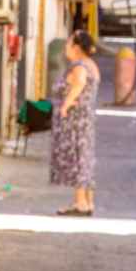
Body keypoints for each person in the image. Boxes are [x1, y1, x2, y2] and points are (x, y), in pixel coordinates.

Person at [49, 29, 101, 216]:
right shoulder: (92, 65)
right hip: (85, 119)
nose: (65, 47)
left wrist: (66, 105)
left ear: (77, 47)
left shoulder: (79, 66)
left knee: (77, 158)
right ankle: (87, 201)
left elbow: (79, 83)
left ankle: (80, 202)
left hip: (74, 120)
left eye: (69, 43)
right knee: (84, 158)